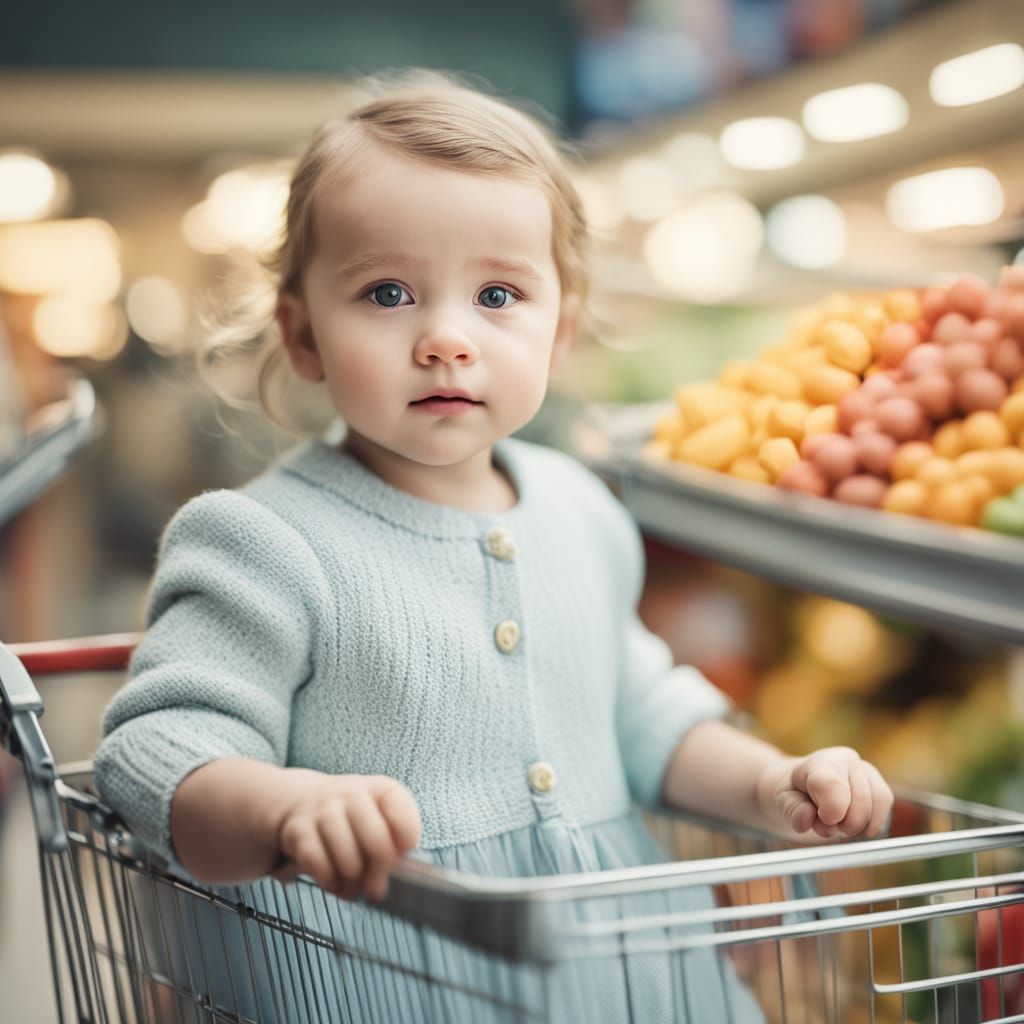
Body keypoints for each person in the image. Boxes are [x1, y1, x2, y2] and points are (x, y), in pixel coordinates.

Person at [94, 68, 893, 1022]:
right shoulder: (260, 542)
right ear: (302, 336)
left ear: (558, 330)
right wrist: (281, 807)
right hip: (382, 981)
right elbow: (155, 747)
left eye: (499, 294)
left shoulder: (579, 507)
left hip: (620, 977)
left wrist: (770, 783)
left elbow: (639, 712)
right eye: (387, 292)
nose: (445, 339)